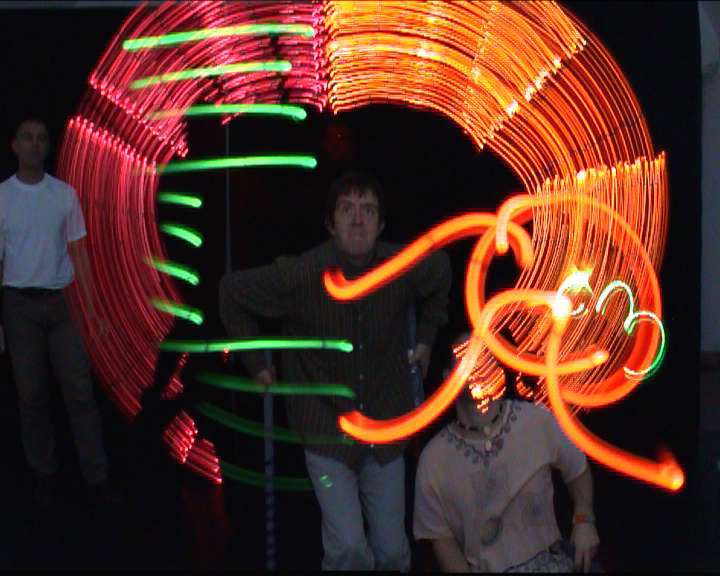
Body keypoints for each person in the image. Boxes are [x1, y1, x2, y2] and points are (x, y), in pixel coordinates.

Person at [219, 170, 451, 571]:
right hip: (326, 429)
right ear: (330, 223)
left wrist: (427, 337)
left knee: (392, 552)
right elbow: (231, 293)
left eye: (368, 210)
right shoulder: (302, 275)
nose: (358, 219)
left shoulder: (401, 266)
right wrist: (257, 365)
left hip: (384, 425)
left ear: (381, 224)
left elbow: (441, 271)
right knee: (348, 550)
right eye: (347, 209)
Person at [0, 117, 118, 509]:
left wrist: (93, 310)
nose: (35, 144)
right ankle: (44, 474)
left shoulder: (64, 195)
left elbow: (79, 254)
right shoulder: (3, 197)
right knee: (31, 394)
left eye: (41, 138)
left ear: (47, 147)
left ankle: (96, 477)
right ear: (15, 145)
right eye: (27, 137)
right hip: (19, 305)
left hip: (63, 303)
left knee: (79, 391)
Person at [414, 335, 601, 572]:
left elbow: (577, 469)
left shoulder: (535, 420)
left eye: (484, 358)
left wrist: (584, 519)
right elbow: (441, 540)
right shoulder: (434, 459)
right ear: (448, 376)